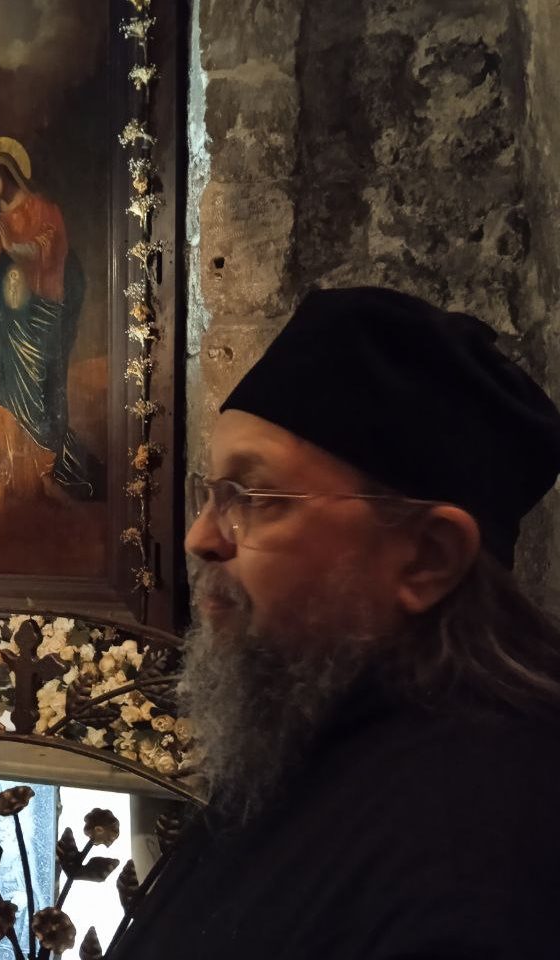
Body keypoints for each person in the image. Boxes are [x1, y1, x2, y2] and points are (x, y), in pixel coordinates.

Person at [112, 287, 560, 958]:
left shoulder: (477, 866)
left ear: (426, 559)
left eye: (252, 497)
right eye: (211, 494)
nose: (200, 537)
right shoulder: (312, 722)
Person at [0, 143, 103, 501]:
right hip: (3, 321)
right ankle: (6, 475)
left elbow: (49, 250)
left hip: (38, 315)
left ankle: (46, 470)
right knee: (1, 392)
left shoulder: (44, 209)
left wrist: (11, 246)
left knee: (39, 394)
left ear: (9, 172)